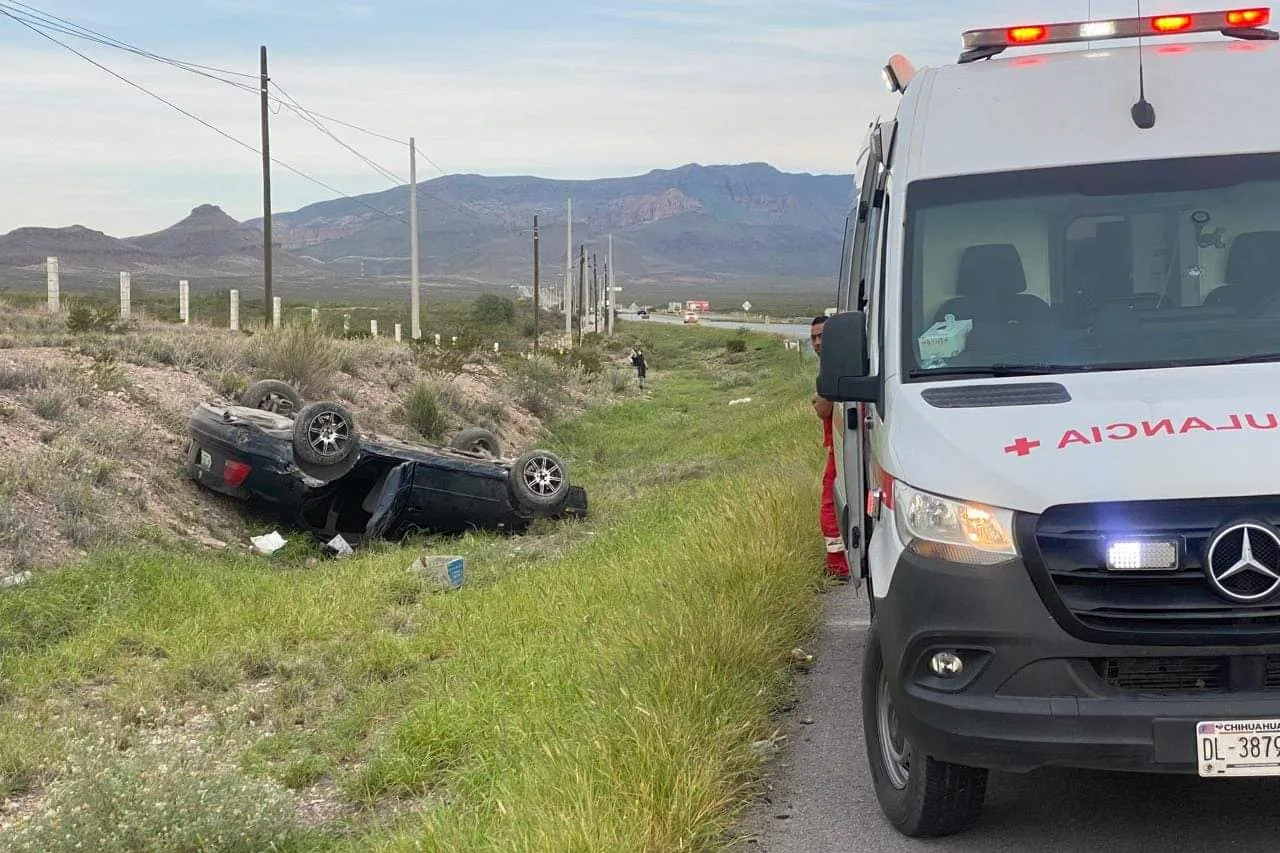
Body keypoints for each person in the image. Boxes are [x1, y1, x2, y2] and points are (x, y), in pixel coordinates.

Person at [811, 316, 851, 582]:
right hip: (839, 442)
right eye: (813, 338)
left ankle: (838, 567)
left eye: (821, 337)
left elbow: (823, 407)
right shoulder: (839, 362)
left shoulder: (835, 367)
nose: (816, 343)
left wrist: (817, 399)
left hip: (842, 445)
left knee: (829, 507)